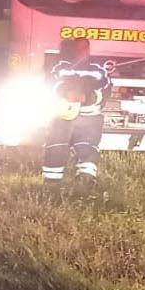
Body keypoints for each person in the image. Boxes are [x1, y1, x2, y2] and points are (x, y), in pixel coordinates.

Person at [41, 37, 109, 192]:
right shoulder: (60, 68)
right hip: (62, 116)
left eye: (84, 48)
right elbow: (49, 84)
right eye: (77, 48)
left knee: (87, 148)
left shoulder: (97, 70)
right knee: (56, 146)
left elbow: (105, 90)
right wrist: (64, 92)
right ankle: (51, 184)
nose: (80, 51)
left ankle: (86, 183)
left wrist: (89, 97)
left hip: (89, 117)